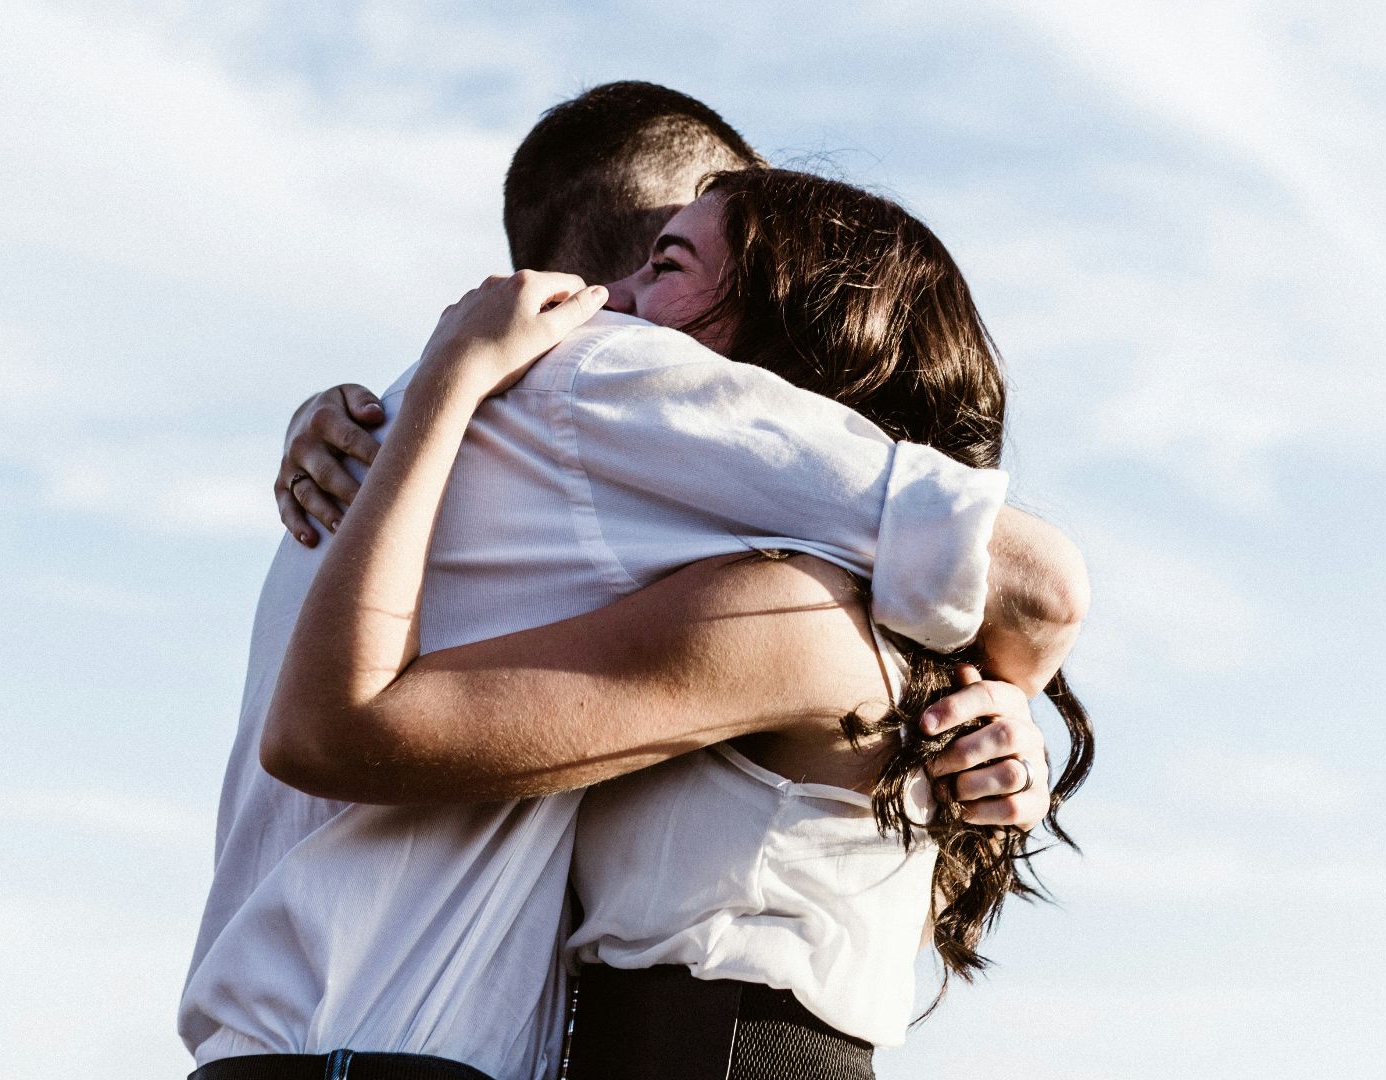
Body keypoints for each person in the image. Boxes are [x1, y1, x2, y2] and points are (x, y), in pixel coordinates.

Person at [182, 83, 1085, 1080]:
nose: (615, 313)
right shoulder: (598, 430)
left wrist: (1005, 698)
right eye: (661, 255)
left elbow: (1035, 586)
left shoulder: (798, 613)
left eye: (675, 269)